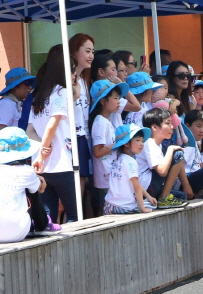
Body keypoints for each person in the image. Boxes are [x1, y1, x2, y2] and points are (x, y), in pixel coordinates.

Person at [29, 46, 78, 223]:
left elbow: (30, 130)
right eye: (73, 70)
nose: (75, 74)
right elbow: (52, 126)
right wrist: (44, 152)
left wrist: (41, 151)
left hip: (41, 167)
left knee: (48, 218)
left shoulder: (39, 95)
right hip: (60, 163)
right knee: (75, 215)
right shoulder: (61, 92)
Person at [0, 127, 61, 243]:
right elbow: (38, 188)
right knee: (30, 189)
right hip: (16, 232)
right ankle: (43, 224)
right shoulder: (26, 171)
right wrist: (38, 181)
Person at [89, 79, 129, 214]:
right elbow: (98, 151)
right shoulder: (100, 122)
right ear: (103, 101)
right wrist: (118, 143)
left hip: (111, 173)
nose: (119, 102)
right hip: (104, 176)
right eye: (115, 98)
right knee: (105, 208)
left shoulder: (107, 120)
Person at [137, 107, 190, 207]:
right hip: (143, 189)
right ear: (155, 127)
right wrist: (170, 149)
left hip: (150, 187)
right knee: (178, 154)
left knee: (182, 196)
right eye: (167, 123)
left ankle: (162, 198)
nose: (172, 126)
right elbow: (162, 171)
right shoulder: (149, 143)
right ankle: (164, 197)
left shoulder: (157, 144)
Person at [104, 124, 157, 215]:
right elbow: (136, 186)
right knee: (152, 206)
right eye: (137, 140)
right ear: (127, 143)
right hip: (123, 207)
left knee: (148, 202)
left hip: (109, 205)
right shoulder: (131, 161)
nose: (141, 144)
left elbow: (136, 183)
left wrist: (148, 196)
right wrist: (142, 208)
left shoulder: (118, 159)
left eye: (142, 141)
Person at [69, 33, 95, 200]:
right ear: (74, 51)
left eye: (93, 51)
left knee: (84, 181)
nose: (91, 56)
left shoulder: (84, 81)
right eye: (87, 51)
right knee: (77, 181)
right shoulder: (66, 81)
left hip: (84, 137)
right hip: (71, 137)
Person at [90, 54, 141, 128]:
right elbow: (136, 106)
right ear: (101, 72)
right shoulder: (106, 94)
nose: (116, 74)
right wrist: (120, 83)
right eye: (113, 70)